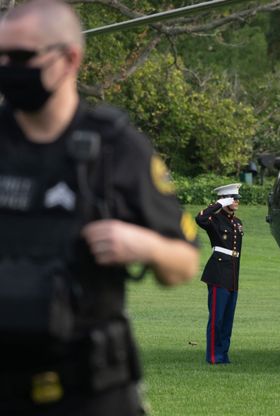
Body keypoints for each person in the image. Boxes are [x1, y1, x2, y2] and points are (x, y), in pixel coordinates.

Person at [0, 1, 199, 415]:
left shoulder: (116, 149)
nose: (7, 67)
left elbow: (182, 263)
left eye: (20, 57)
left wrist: (144, 245)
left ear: (69, 58)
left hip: (93, 393)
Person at [195, 183, 243, 364]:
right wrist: (218, 204)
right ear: (225, 200)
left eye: (237, 198)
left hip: (232, 274)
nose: (237, 201)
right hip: (217, 272)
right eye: (233, 198)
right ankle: (214, 356)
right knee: (217, 318)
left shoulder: (238, 223)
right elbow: (199, 219)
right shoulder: (214, 219)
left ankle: (224, 354)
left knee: (228, 319)